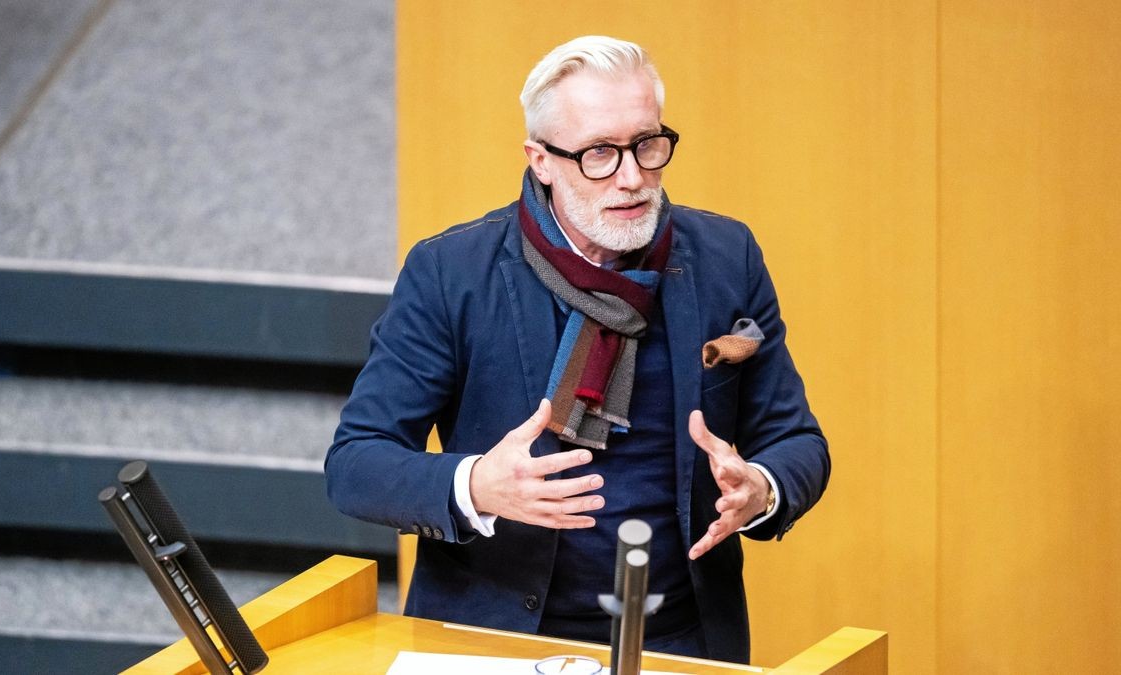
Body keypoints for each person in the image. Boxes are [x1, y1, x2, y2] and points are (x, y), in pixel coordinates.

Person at [325, 35, 829, 664]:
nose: (632, 177)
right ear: (541, 160)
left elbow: (799, 441)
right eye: (598, 153)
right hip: (494, 639)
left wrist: (761, 486)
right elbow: (355, 466)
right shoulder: (451, 271)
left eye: (648, 144)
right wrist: (477, 483)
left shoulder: (728, 258)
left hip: (679, 640)